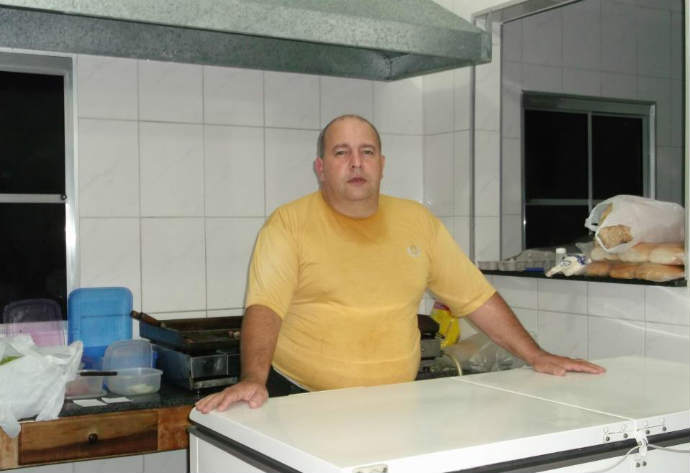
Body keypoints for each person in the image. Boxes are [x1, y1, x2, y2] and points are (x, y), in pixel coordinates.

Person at [195, 114, 604, 414]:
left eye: (367, 152)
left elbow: (475, 297)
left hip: (397, 403)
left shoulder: (417, 222)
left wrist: (535, 355)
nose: (356, 163)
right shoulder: (288, 224)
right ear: (321, 168)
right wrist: (253, 379)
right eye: (341, 152)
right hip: (304, 400)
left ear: (382, 164)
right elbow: (265, 308)